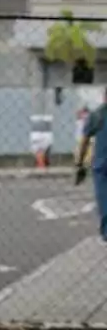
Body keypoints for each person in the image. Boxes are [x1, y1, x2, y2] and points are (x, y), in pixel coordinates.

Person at [75, 90, 107, 243]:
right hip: (101, 165)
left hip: (101, 165)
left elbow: (84, 141)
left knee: (103, 199)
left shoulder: (97, 115)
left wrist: (79, 164)